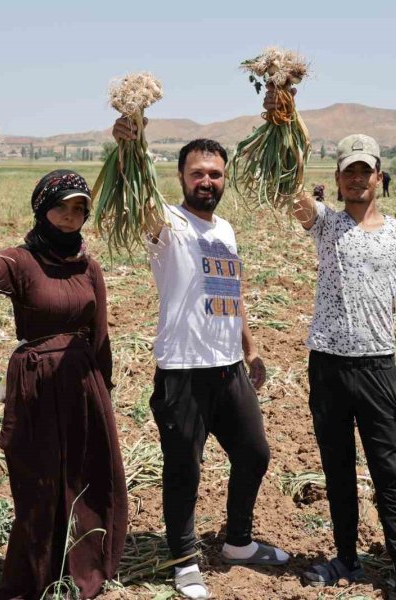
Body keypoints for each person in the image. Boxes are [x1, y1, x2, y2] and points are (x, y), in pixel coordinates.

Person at [113, 119, 288, 600]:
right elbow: (135, 192)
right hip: (182, 371)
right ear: (181, 178)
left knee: (254, 454)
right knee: (183, 470)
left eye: (214, 173)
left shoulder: (225, 229)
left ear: (224, 177)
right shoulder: (165, 224)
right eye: (197, 173)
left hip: (228, 367)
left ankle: (238, 542)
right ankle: (184, 558)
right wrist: (130, 143)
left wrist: (249, 347)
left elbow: (230, 290)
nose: (206, 181)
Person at [0, 169, 128, 599]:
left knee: (86, 476)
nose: (69, 216)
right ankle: (33, 577)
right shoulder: (20, 261)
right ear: (42, 209)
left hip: (82, 382)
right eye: (61, 206)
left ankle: (82, 572)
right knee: (40, 483)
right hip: (37, 384)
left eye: (78, 207)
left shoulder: (88, 266)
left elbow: (100, 334)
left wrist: (105, 392)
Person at [280, 126, 396, 596]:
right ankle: (346, 559)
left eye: (365, 171)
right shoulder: (325, 223)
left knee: (389, 472)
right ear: (338, 177)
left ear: (379, 176)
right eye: (349, 171)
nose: (356, 179)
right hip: (327, 364)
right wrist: (285, 117)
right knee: (337, 468)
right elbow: (290, 190)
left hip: (377, 368)